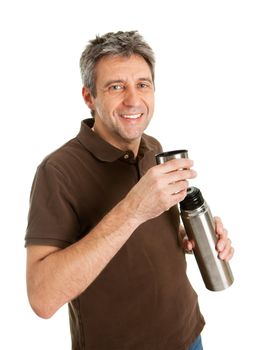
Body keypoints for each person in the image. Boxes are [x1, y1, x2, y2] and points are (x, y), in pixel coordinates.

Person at [25, 31, 234, 350]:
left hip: (189, 335)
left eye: (142, 84)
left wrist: (190, 236)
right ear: (88, 96)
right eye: (116, 86)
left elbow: (152, 232)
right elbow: (43, 298)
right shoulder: (57, 172)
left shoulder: (154, 149)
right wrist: (133, 208)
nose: (133, 100)